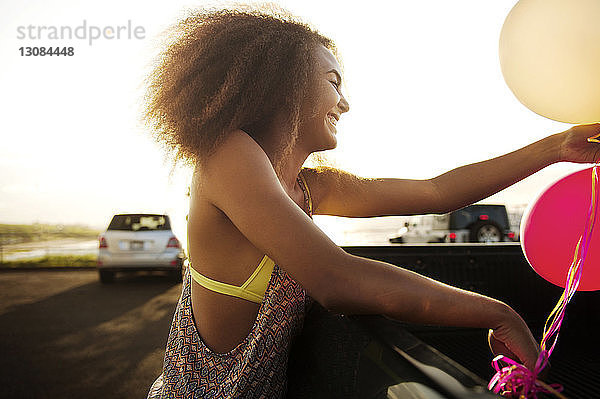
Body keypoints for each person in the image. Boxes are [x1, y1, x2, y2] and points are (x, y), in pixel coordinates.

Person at [145, 5, 600, 398]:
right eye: (333, 81)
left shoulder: (310, 186)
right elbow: (336, 279)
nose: (345, 104)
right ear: (282, 84)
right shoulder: (226, 154)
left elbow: (437, 192)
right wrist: (497, 312)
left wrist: (555, 147)